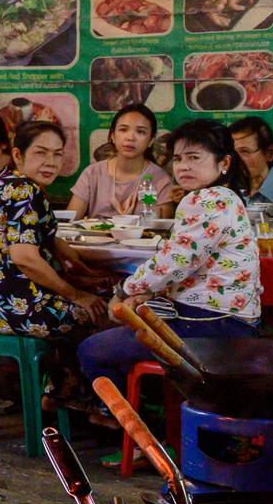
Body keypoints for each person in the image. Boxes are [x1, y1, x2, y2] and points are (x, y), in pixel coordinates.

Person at [76, 119, 260, 393]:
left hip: (208, 326)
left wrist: (125, 288)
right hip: (232, 322)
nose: (183, 166)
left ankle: (122, 425)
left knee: (91, 349)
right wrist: (146, 294)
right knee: (127, 329)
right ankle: (148, 420)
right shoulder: (227, 197)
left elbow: (176, 261)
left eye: (194, 158)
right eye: (178, 158)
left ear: (224, 164)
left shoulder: (206, 199)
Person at [0, 120, 110, 354]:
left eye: (58, 154)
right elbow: (25, 258)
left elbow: (29, 232)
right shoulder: (25, 191)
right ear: (18, 154)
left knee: (97, 294)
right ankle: (70, 386)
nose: (50, 162)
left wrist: (70, 257)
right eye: (40, 153)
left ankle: (53, 382)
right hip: (19, 310)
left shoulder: (5, 181)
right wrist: (76, 295)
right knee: (103, 312)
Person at [68, 102, 173, 218]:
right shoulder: (92, 173)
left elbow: (164, 228)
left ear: (151, 141)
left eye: (140, 132)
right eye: (123, 130)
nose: (130, 137)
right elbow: (70, 222)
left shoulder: (160, 179)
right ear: (113, 136)